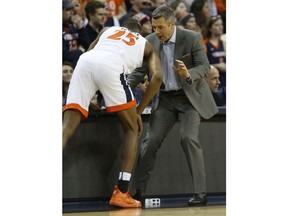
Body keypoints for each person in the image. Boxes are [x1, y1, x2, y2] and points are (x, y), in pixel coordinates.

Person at [62, 18, 163, 208]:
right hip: (112, 66)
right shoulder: (145, 43)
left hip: (84, 62)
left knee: (66, 127)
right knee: (132, 129)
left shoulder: (107, 31)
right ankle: (122, 192)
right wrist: (138, 112)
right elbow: (157, 77)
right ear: (138, 32)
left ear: (122, 28)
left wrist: (89, 96)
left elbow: (91, 56)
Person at [127, 6, 218, 206]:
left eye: (160, 27)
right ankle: (137, 193)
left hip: (189, 98)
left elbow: (204, 66)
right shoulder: (150, 41)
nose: (156, 31)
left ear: (171, 24)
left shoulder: (191, 37)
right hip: (165, 100)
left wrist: (188, 74)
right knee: (150, 142)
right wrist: (120, 84)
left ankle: (200, 194)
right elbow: (141, 71)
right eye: (154, 27)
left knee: (188, 138)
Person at [63, 0, 90, 68]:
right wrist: (80, 52)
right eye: (68, 10)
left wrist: (80, 28)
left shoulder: (73, 26)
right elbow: (64, 55)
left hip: (78, 66)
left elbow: (88, 46)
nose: (72, 13)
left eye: (72, 10)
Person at [204, 15, 226, 89]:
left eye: (221, 24)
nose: (220, 27)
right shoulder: (205, 44)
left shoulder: (224, 43)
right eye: (217, 25)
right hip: (213, 82)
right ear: (210, 28)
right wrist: (217, 66)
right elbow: (202, 65)